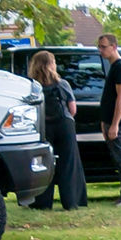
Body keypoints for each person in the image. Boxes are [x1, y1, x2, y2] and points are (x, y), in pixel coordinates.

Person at [28, 51, 87, 211]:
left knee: (44, 163)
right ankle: (72, 201)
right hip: (64, 124)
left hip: (43, 127)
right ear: (51, 65)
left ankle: (42, 202)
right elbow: (72, 109)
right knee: (69, 163)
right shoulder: (62, 84)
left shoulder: (32, 86)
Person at [96, 33, 121, 207]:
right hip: (108, 120)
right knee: (118, 158)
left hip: (117, 123)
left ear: (114, 47)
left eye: (104, 47)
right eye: (99, 47)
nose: (101, 50)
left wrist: (115, 124)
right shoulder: (113, 67)